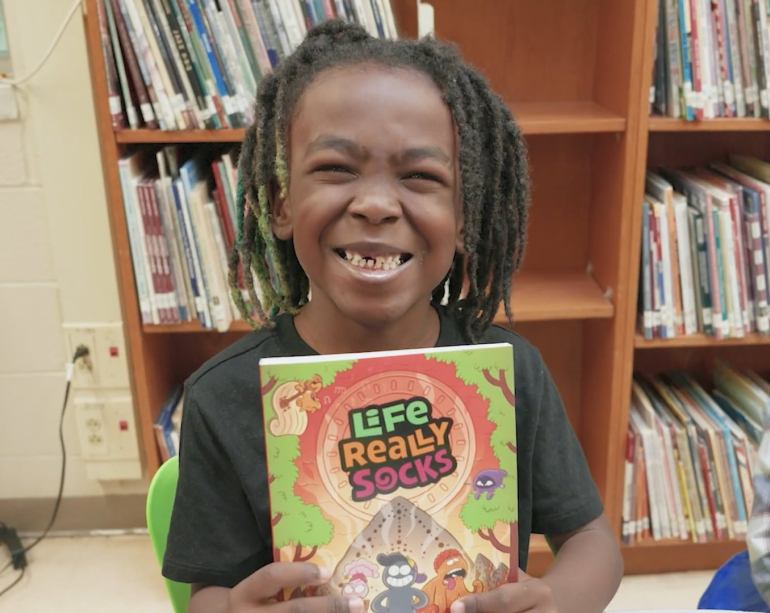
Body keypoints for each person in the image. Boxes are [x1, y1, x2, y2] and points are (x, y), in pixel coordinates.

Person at [162, 19, 623, 613]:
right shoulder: (224, 396)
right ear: (281, 204)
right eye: (335, 168)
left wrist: (556, 601)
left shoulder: (511, 374)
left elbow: (592, 543)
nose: (376, 204)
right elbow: (208, 594)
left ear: (464, 219)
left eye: (421, 177)